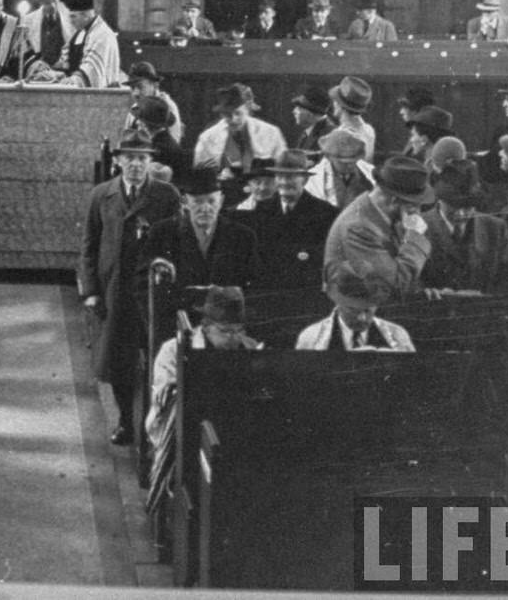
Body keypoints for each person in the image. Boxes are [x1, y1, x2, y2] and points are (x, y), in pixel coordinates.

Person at [78, 130, 183, 444]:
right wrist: (91, 291)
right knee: (116, 360)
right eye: (130, 158)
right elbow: (89, 246)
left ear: (150, 162)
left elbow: (177, 244)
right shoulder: (101, 195)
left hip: (151, 292)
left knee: (153, 357)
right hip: (114, 290)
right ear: (118, 161)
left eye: (142, 158)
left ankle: (154, 426)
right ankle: (125, 419)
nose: (136, 164)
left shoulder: (166, 196)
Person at [141, 168, 261, 331]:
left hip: (226, 331)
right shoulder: (163, 233)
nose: (205, 208)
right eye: (197, 201)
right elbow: (143, 285)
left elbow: (253, 286)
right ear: (185, 202)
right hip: (175, 328)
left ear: (222, 201)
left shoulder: (243, 236)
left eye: (211, 201)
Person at [144, 286, 261, 452]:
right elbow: (168, 401)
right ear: (206, 327)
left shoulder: (250, 347)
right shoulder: (173, 351)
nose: (233, 338)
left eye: (238, 330)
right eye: (225, 331)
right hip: (180, 434)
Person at [323, 155, 433, 302]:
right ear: (394, 200)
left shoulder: (379, 214)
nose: (418, 212)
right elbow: (395, 286)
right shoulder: (358, 228)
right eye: (414, 204)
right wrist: (415, 237)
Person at [235, 150, 338, 288]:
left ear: (305, 179)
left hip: (306, 292)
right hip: (269, 292)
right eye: (280, 176)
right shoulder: (263, 208)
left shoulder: (326, 213)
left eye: (291, 177)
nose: (284, 182)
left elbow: (325, 262)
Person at [419, 160, 508, 295]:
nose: (460, 213)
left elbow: (507, 281)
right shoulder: (417, 227)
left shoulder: (495, 229)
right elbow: (406, 282)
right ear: (440, 199)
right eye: (453, 206)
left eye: (467, 206)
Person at [295, 262, 414, 351]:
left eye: (368, 310)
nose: (362, 318)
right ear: (338, 302)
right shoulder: (310, 337)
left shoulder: (398, 335)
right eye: (353, 310)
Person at [192, 83, 287, 190]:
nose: (233, 119)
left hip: (263, 191)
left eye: (238, 113)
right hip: (222, 191)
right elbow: (200, 174)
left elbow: (282, 167)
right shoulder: (208, 137)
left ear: (248, 110)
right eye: (227, 114)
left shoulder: (271, 132)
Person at [52, 0, 121, 88]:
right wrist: (55, 74)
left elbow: (92, 69)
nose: (71, 21)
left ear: (85, 16)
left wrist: (73, 80)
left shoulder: (102, 34)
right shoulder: (79, 33)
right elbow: (67, 61)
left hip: (100, 91)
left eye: (73, 17)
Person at [306, 128, 375, 210]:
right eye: (343, 163)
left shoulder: (369, 172)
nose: (349, 166)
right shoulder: (313, 180)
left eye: (353, 161)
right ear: (329, 157)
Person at [125, 61, 184, 146]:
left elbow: (173, 144)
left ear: (155, 85)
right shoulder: (134, 109)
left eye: (140, 87)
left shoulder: (168, 108)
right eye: (132, 88)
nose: (135, 93)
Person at [20, 0, 72, 70]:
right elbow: (24, 49)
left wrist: (63, 62)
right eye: (47, 3)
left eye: (53, 1)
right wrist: (35, 64)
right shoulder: (29, 20)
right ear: (41, 2)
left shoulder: (70, 17)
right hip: (38, 70)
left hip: (64, 70)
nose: (51, 5)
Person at [329, 75, 376, 161]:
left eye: (335, 100)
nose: (334, 104)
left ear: (341, 105)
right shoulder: (369, 130)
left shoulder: (339, 135)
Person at [290, 85, 335, 154]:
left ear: (310, 113)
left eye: (299, 108)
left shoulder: (328, 134)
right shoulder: (310, 131)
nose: (294, 111)